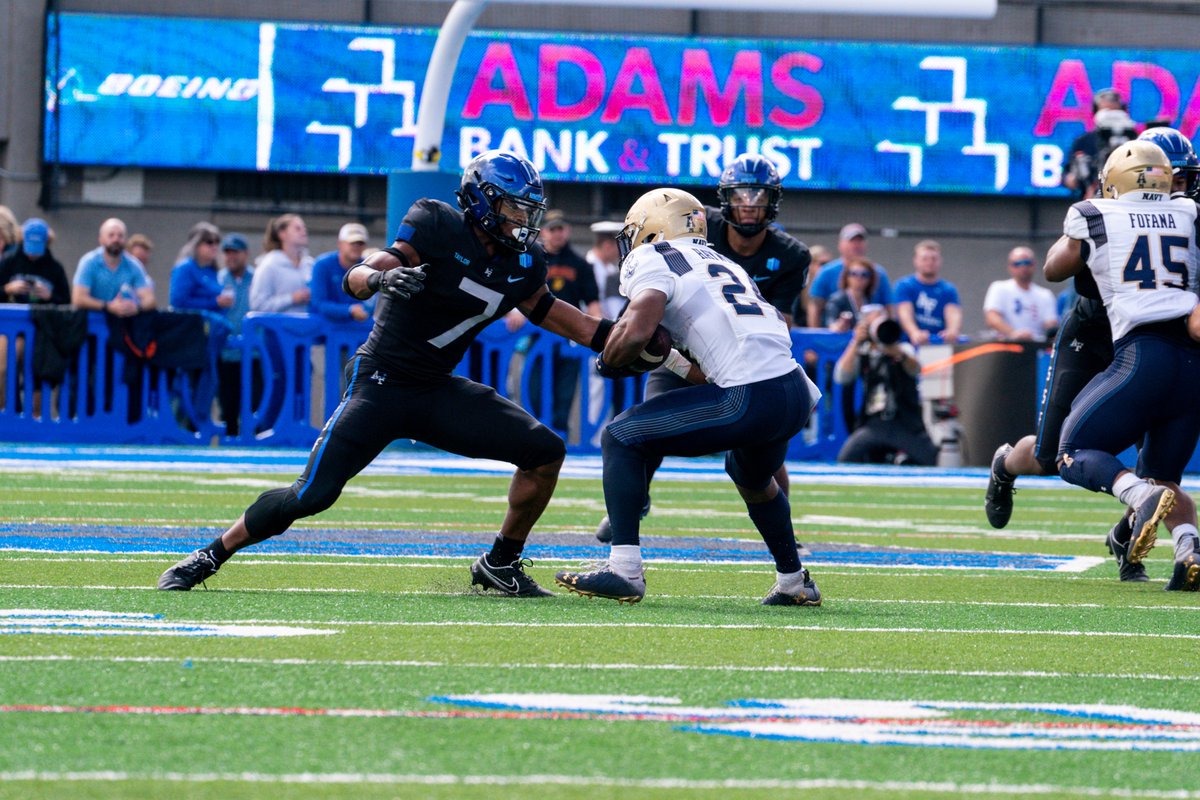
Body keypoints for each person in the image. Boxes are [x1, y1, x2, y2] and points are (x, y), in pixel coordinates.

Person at [157, 150, 613, 596]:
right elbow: (364, 272)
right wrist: (378, 279)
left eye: (526, 210)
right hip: (381, 383)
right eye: (513, 208)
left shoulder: (524, 261)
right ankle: (211, 553)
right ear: (481, 202)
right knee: (312, 494)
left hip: (435, 389)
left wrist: (634, 341)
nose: (523, 220)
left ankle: (500, 563)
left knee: (545, 452)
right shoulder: (436, 223)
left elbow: (563, 318)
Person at [555, 187, 822, 606]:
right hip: (794, 392)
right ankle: (794, 580)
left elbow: (638, 328)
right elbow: (715, 358)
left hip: (749, 394)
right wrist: (674, 362)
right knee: (751, 475)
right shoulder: (722, 261)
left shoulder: (655, 256)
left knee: (621, 436)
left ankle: (624, 570)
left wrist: (609, 360)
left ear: (652, 229)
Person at [985, 127, 1200, 583]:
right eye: (1173, 177)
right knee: (1047, 456)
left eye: (1184, 179)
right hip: (1096, 335)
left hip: (1145, 344)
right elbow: (1054, 267)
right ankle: (1006, 466)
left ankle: (1158, 542)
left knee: (1144, 469)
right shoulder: (1172, 214)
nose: (1180, 187)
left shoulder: (1177, 214)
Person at [592, 154, 810, 543]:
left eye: (757, 195)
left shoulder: (789, 254)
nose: (748, 203)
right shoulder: (691, 222)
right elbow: (647, 309)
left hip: (743, 358)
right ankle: (632, 501)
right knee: (648, 423)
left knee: (758, 455)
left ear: (772, 201)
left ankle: (783, 538)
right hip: (684, 346)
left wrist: (611, 357)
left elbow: (781, 322)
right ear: (724, 201)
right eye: (741, 195)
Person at [1045, 140, 1200, 592]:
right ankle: (1190, 548)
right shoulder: (1189, 213)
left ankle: (1137, 496)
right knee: (1166, 477)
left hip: (1143, 353)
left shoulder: (1094, 212)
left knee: (1071, 451)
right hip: (1193, 367)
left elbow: (1054, 269)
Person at [833, 307, 938, 466]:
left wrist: (896, 352)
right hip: (873, 424)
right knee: (846, 459)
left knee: (930, 459)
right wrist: (855, 341)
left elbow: (916, 369)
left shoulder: (902, 349)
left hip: (905, 423)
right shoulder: (863, 352)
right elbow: (841, 377)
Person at [806, 223, 892, 328]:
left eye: (864, 275)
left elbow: (889, 308)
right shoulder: (826, 272)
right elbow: (815, 307)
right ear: (840, 244)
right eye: (852, 241)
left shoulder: (879, 273)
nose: (856, 245)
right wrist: (817, 337)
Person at [216, 233, 258, 437]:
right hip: (227, 354)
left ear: (245, 254)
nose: (231, 257)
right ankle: (229, 444)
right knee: (228, 404)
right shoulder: (219, 278)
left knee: (254, 402)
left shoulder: (256, 278)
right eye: (228, 253)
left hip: (254, 354)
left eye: (236, 252)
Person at [71, 218, 156, 316]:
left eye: (120, 236)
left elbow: (150, 300)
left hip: (121, 322)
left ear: (125, 240)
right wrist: (108, 306)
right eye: (111, 235)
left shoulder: (134, 265)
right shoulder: (88, 262)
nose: (116, 239)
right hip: (91, 321)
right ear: (101, 239)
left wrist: (136, 307)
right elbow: (78, 299)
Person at [1062, 88, 1135, 200]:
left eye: (1115, 111)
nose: (1111, 116)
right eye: (1107, 112)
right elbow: (1068, 177)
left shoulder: (1135, 140)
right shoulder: (1083, 142)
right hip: (1092, 201)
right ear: (1096, 112)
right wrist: (1075, 178)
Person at [893, 240, 961, 345]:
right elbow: (904, 312)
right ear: (915, 260)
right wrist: (914, 332)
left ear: (940, 261)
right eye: (924, 259)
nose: (929, 262)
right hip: (908, 344)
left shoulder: (948, 289)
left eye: (934, 259)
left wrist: (952, 331)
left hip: (939, 343)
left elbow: (953, 313)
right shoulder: (905, 285)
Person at [982, 247, 1058, 341]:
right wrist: (1014, 333)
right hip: (1006, 343)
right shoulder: (999, 288)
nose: (1023, 267)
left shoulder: (1045, 294)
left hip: (1035, 345)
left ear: (1034, 265)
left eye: (1027, 263)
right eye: (1017, 264)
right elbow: (992, 318)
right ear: (1010, 267)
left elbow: (1050, 324)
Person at [249, 214, 312, 313]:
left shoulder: (310, 265)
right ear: (282, 234)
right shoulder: (268, 265)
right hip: (278, 327)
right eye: (297, 228)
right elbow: (257, 304)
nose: (304, 231)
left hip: (308, 327)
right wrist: (292, 299)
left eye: (304, 228)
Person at [310, 222, 372, 323]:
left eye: (360, 243)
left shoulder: (368, 267)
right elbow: (318, 303)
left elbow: (373, 303)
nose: (356, 247)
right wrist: (349, 310)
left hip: (356, 330)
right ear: (340, 244)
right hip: (323, 331)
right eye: (352, 243)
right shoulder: (322, 265)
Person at [0, 218, 70, 305]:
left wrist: (50, 296)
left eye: (37, 249)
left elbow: (67, 303)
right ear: (22, 239)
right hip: (10, 316)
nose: (32, 254)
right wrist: (7, 289)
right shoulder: (9, 262)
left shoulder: (55, 268)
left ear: (46, 243)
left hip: (42, 317)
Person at [824, 257, 878, 332]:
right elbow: (831, 323)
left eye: (864, 274)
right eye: (854, 273)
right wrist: (840, 325)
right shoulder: (837, 299)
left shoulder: (870, 299)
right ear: (846, 277)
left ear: (870, 279)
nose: (859, 278)